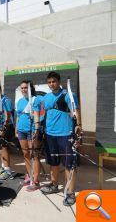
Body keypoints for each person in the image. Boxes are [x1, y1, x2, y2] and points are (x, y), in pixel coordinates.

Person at [40, 72, 81, 206]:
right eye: (49, 82)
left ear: (59, 82)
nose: (52, 84)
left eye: (54, 81)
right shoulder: (45, 98)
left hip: (65, 134)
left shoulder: (67, 95)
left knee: (69, 164)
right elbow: (44, 114)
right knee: (53, 162)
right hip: (50, 134)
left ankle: (70, 192)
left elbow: (76, 111)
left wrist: (78, 126)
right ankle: (54, 185)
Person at [15, 81, 43, 191]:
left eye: (25, 88)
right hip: (21, 130)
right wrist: (16, 129)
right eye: (21, 88)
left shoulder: (35, 100)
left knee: (34, 155)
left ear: (30, 88)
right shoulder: (19, 101)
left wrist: (36, 129)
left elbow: (36, 115)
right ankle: (29, 175)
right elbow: (18, 116)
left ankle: (36, 180)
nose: (23, 90)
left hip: (31, 131)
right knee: (26, 154)